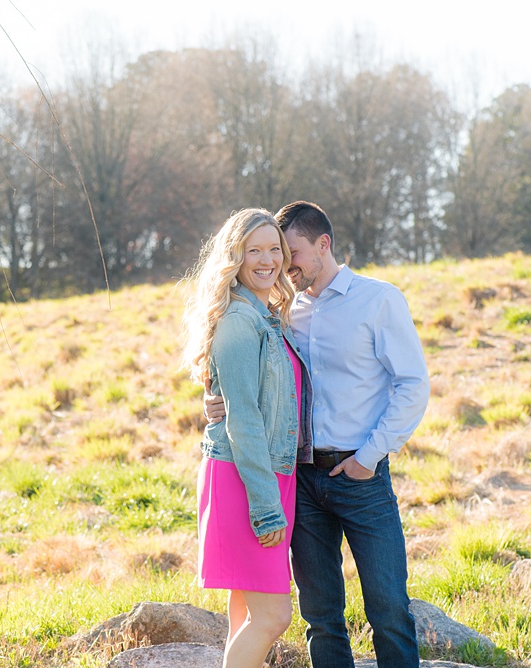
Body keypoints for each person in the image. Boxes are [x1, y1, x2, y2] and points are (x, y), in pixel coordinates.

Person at [204, 201, 430, 668]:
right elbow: (246, 375)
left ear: (324, 245)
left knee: (387, 606)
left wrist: (369, 456)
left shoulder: (378, 299)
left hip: (361, 474)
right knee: (321, 615)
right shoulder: (283, 311)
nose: (282, 264)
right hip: (301, 479)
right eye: (269, 253)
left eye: (290, 252)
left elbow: (413, 385)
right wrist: (214, 402)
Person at [182, 208, 312, 668]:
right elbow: (244, 421)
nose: (266, 260)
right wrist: (264, 504)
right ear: (233, 257)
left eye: (273, 249)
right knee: (273, 617)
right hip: (247, 478)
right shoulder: (240, 320)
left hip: (268, 472)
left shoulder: (266, 315)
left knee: (245, 612)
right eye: (252, 250)